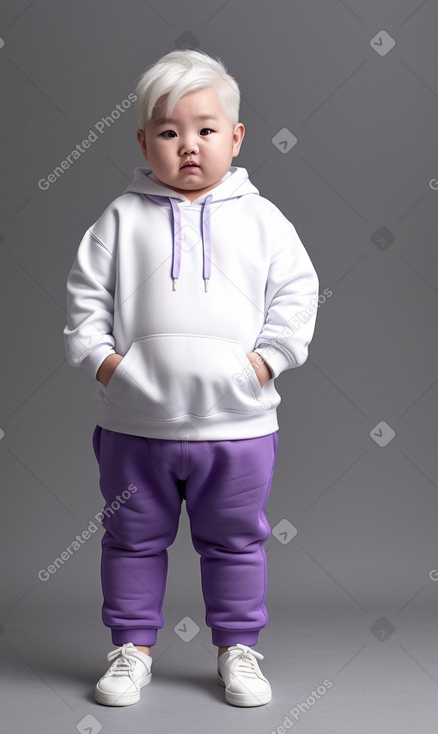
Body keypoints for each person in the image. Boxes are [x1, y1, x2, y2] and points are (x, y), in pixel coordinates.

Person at [63, 48, 319, 708]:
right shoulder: (120, 218)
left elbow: (297, 293)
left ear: (234, 137)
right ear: (144, 139)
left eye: (205, 130)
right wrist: (107, 365)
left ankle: (237, 649)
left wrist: (265, 362)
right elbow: (83, 301)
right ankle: (130, 650)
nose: (187, 147)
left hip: (236, 426)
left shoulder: (261, 219)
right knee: (130, 540)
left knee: (234, 544)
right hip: (133, 426)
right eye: (169, 131)